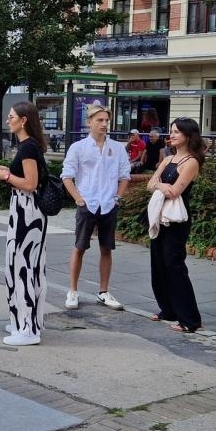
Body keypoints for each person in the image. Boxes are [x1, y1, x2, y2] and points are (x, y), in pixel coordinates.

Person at [0, 102, 48, 347]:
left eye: (11, 116)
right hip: (25, 212)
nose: (8, 120)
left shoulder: (28, 147)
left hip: (28, 213)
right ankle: (23, 320)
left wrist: (7, 176)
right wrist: (7, 172)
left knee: (22, 268)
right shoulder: (27, 146)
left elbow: (31, 184)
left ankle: (28, 328)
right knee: (21, 266)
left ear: (24, 120)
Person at [60, 104, 131, 311]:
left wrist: (118, 196)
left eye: (106, 120)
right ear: (89, 122)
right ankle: (72, 291)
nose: (104, 124)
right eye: (99, 120)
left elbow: (125, 175)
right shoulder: (79, 147)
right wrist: (78, 198)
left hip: (109, 203)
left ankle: (103, 291)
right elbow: (67, 176)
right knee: (79, 247)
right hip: (87, 202)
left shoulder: (117, 148)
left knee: (106, 248)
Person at [146, 118, 206, 333]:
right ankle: (168, 309)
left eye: (177, 132)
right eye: (171, 131)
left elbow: (176, 191)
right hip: (159, 216)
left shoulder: (191, 161)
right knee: (158, 263)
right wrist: (162, 185)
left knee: (174, 265)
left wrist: (159, 186)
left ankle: (189, 318)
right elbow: (150, 184)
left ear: (189, 136)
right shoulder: (169, 158)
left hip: (177, 219)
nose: (171, 135)